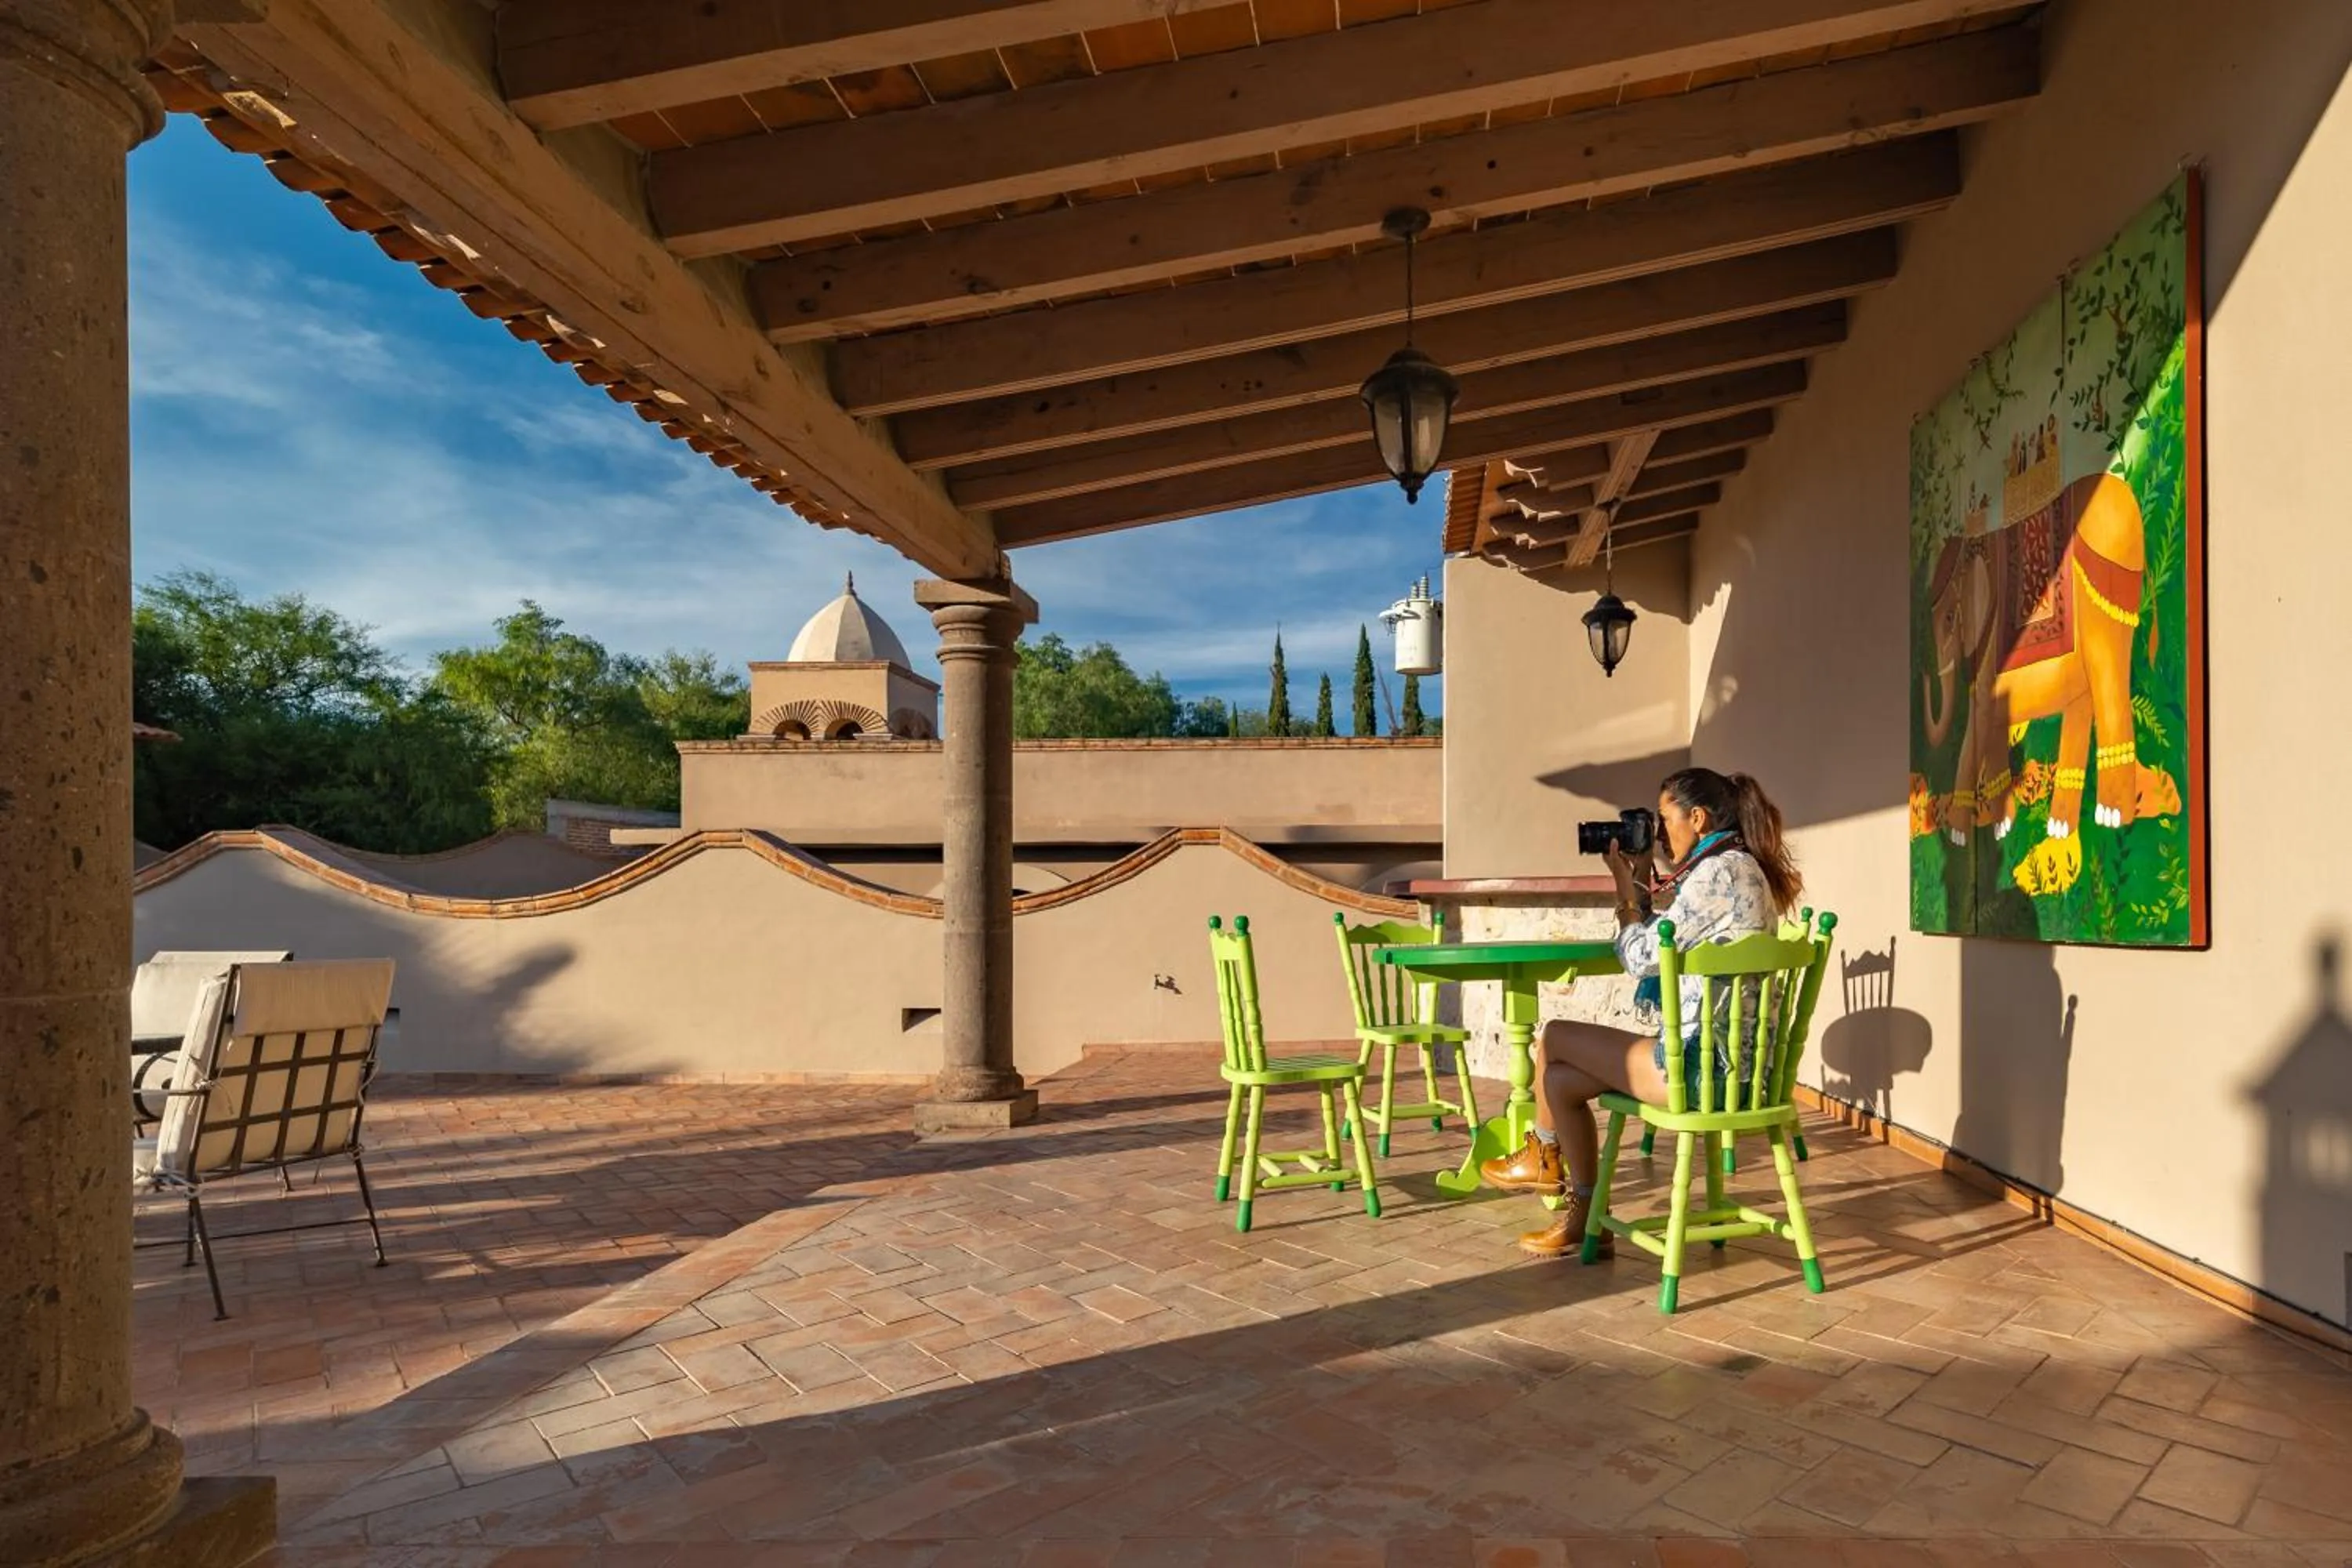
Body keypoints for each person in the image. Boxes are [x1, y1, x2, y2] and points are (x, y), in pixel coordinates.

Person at [1479, 768, 1803, 1258]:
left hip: (1705, 1073)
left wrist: (1625, 896)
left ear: (1696, 818)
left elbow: (1641, 957)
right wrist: (1642, 885)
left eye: (1664, 817)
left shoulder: (1717, 872)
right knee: (1561, 1081)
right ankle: (1584, 1218)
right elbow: (1672, 939)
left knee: (1554, 1036)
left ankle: (1543, 1156)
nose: (1658, 830)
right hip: (1744, 1071)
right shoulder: (1736, 868)